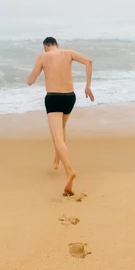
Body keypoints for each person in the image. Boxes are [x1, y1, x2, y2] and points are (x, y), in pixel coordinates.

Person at [27, 36, 94, 195]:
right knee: (62, 127)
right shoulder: (69, 53)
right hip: (69, 97)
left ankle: (69, 171)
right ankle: (57, 158)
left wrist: (31, 78)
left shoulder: (43, 56)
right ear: (57, 44)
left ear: (45, 47)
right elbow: (88, 61)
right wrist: (88, 86)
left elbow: (31, 80)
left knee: (57, 137)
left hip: (54, 98)